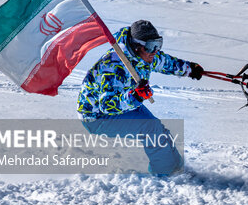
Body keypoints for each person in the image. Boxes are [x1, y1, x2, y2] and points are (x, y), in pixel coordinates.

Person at [77, 19, 204, 176]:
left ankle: (175, 167)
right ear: (137, 46)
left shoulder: (145, 56)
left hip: (127, 102)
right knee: (150, 129)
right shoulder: (113, 65)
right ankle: (166, 173)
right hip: (98, 117)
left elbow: (164, 62)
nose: (155, 50)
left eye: (158, 44)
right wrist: (135, 96)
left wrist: (189, 69)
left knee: (157, 129)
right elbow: (108, 105)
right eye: (151, 46)